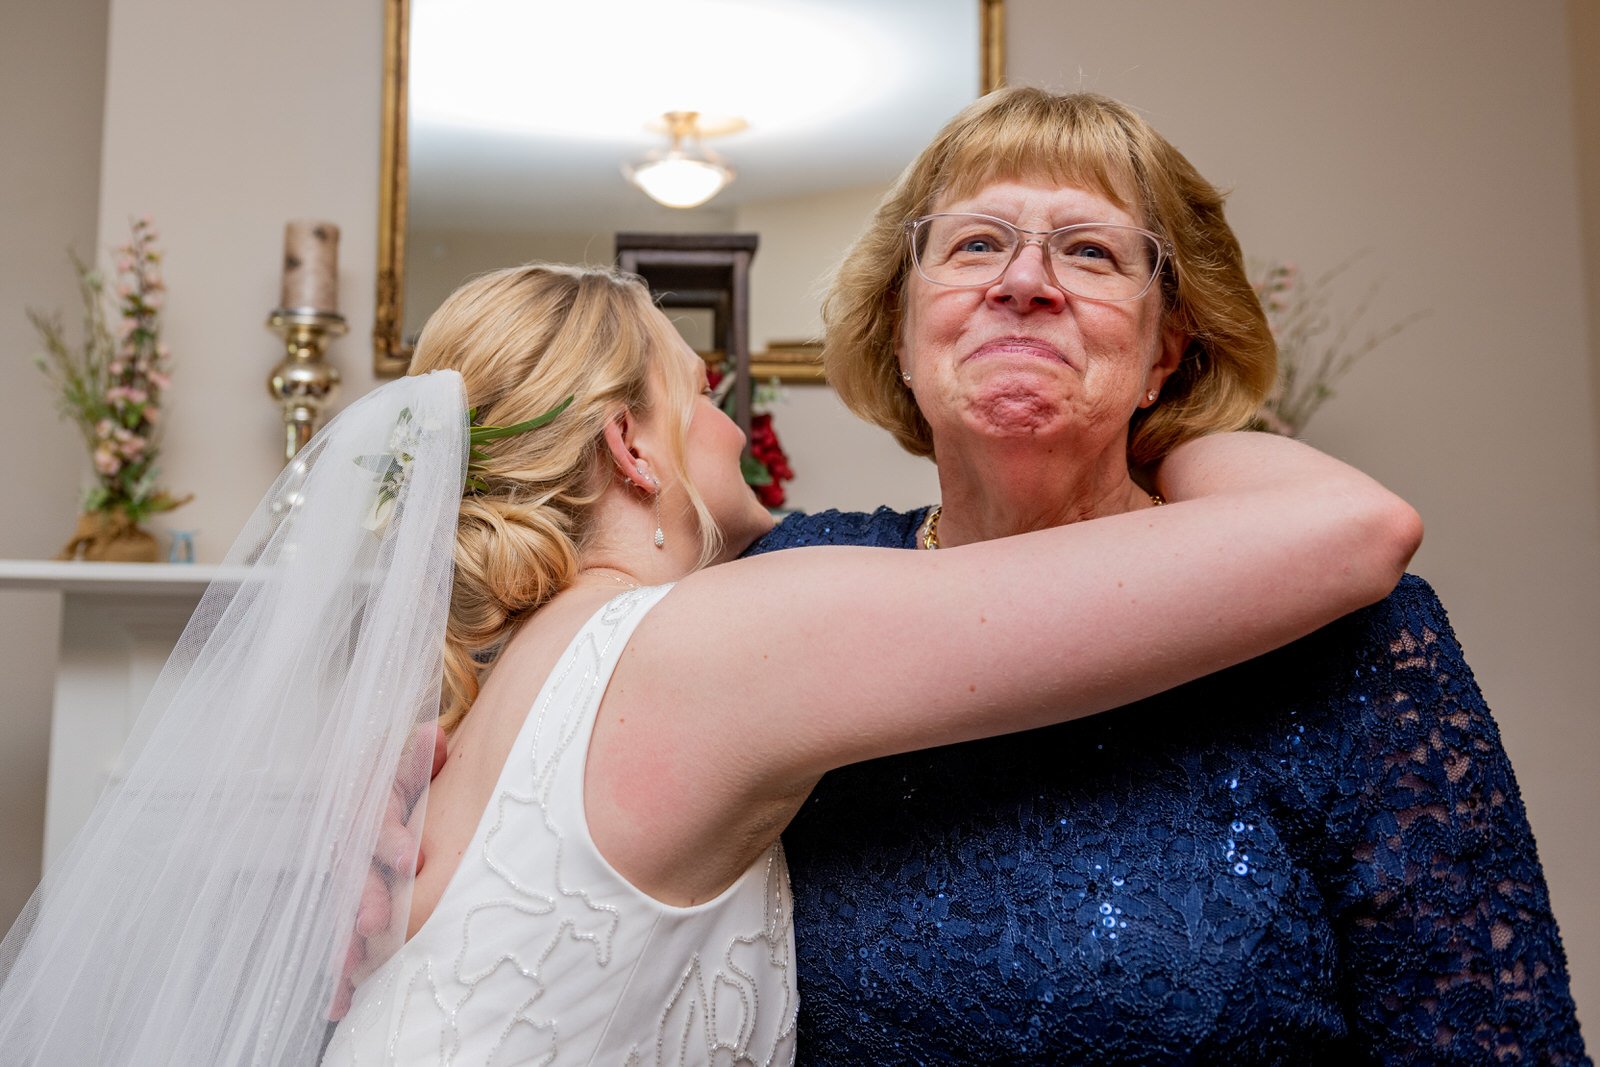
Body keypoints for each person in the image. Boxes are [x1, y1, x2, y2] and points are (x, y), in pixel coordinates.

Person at [0, 260, 1418, 1063]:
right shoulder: (717, 642)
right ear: (630, 445)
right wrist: (1181, 411)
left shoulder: (502, 673)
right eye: (697, 384)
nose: (731, 404)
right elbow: (1352, 529)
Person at [731, 87, 1588, 1062]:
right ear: (899, 325)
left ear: (1165, 350)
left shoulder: (1338, 630)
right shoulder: (789, 582)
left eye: (1089, 251)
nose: (1024, 281)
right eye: (974, 244)